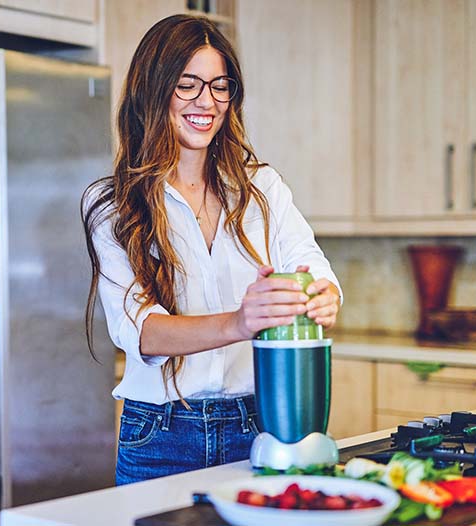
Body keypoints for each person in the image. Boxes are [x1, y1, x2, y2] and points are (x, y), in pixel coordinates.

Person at [81, 14, 342, 485]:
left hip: (257, 427)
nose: (208, 102)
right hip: (158, 437)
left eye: (221, 86)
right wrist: (241, 323)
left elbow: (311, 264)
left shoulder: (261, 188)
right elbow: (142, 332)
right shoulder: (111, 205)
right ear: (152, 90)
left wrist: (323, 295)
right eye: (188, 85)